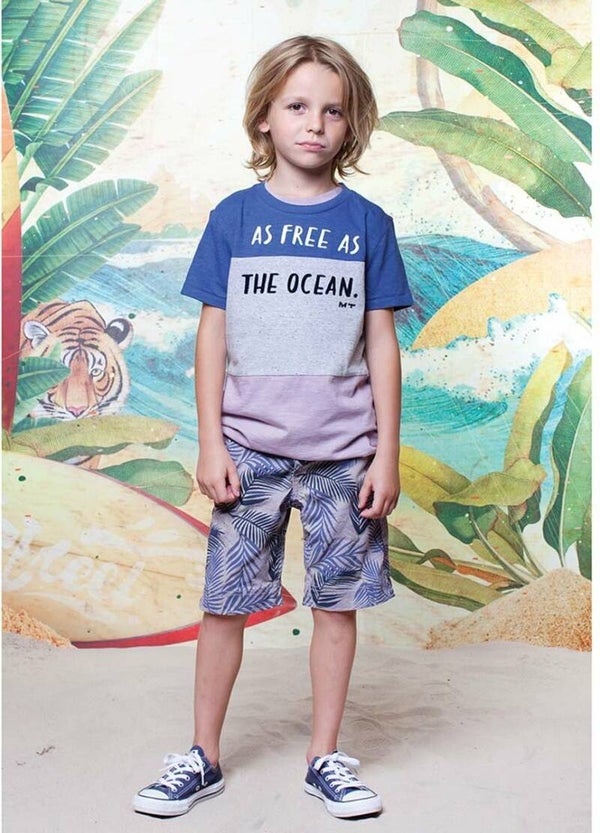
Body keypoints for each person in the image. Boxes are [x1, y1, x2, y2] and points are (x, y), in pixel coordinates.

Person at [133, 34, 413, 821]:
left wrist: (386, 453)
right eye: (296, 106)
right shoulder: (233, 218)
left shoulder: (368, 223)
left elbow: (382, 344)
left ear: (352, 125)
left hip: (344, 457)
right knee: (224, 605)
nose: (314, 123)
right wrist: (210, 441)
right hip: (248, 453)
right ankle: (202, 755)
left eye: (333, 111)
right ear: (264, 117)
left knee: (336, 605)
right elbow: (211, 335)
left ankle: (326, 757)